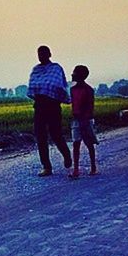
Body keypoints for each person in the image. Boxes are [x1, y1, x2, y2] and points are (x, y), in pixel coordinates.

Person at [27, 45, 72, 176]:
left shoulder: (56, 68)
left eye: (43, 53)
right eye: (39, 54)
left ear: (49, 54)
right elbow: (33, 86)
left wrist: (50, 93)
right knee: (40, 137)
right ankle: (47, 167)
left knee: (56, 135)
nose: (41, 56)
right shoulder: (36, 70)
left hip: (53, 106)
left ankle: (67, 155)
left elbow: (59, 85)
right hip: (39, 106)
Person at [69, 64, 98, 178]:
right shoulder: (72, 90)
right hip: (76, 120)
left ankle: (93, 167)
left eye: (74, 72)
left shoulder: (88, 90)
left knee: (89, 144)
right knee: (76, 144)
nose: (72, 74)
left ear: (80, 75)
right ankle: (76, 169)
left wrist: (84, 119)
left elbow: (90, 107)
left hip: (85, 120)